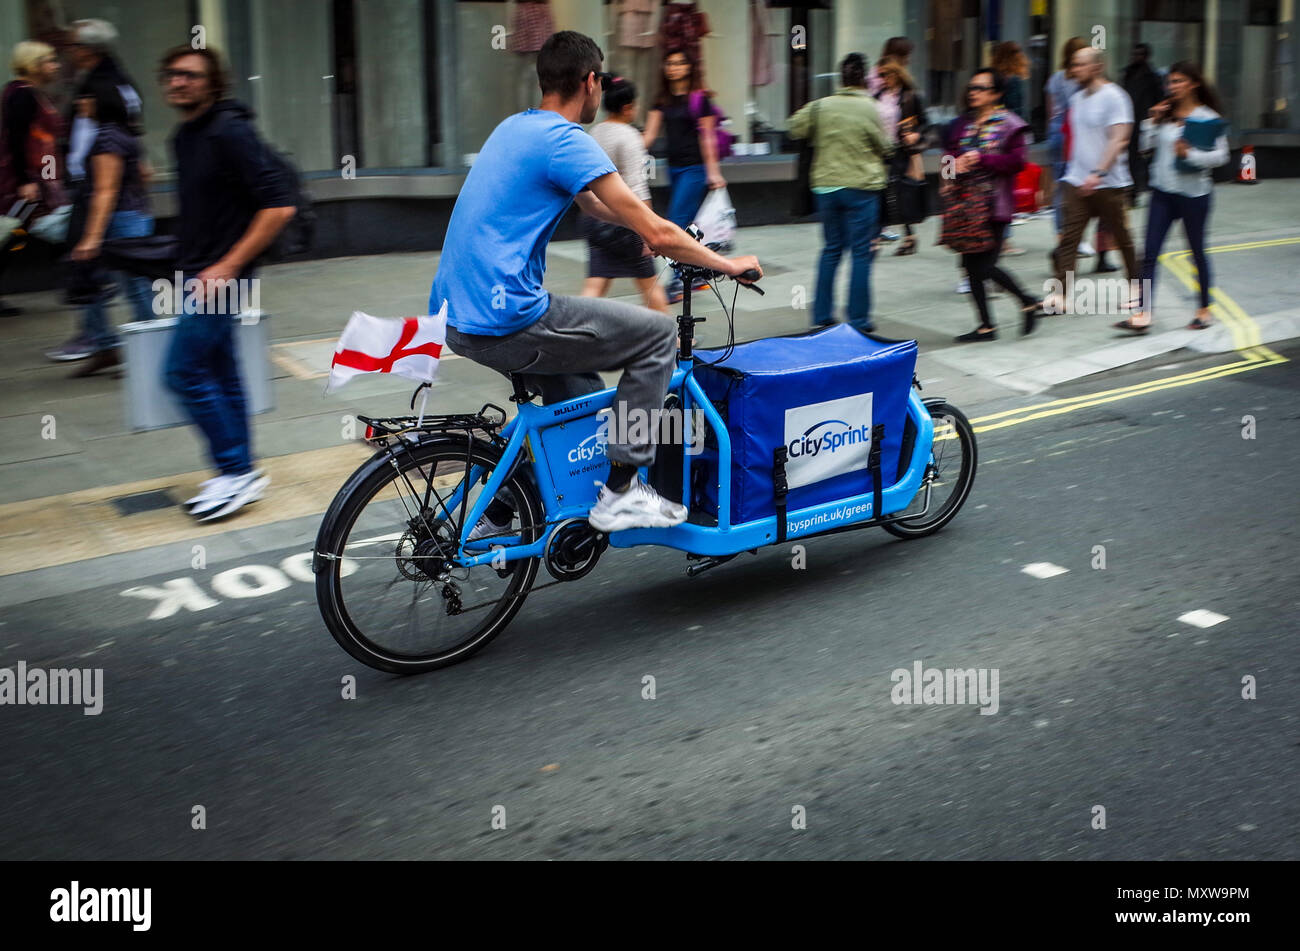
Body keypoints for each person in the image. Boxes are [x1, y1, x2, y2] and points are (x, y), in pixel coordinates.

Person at [432, 31, 760, 534]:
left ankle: (498, 509)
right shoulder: (566, 141)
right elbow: (652, 225)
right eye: (600, 81)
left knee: (579, 397)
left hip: (457, 313)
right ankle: (621, 492)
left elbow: (593, 204)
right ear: (589, 81)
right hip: (508, 317)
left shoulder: (515, 128)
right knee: (657, 337)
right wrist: (726, 264)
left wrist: (645, 232)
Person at [159, 45, 296, 521]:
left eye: (191, 75)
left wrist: (227, 266)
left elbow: (279, 206)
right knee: (221, 373)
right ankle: (240, 471)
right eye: (173, 75)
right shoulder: (185, 136)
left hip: (222, 278)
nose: (179, 83)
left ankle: (235, 470)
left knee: (182, 371)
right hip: (198, 274)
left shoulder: (229, 130)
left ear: (213, 83)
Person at [1119, 61, 1229, 334]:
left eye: (1179, 81)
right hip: (1162, 192)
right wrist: (1151, 123)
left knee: (1196, 253)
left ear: (1193, 84)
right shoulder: (1166, 114)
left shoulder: (1208, 117)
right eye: (1170, 82)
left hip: (1194, 195)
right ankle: (1143, 313)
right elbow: (1146, 149)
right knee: (1150, 254)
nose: (1173, 87)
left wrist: (1190, 155)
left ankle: (1204, 309)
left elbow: (1221, 156)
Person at [786, 52, 892, 333]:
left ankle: (822, 315)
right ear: (864, 78)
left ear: (840, 77)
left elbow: (793, 127)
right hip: (862, 188)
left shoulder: (821, 106)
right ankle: (858, 319)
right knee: (860, 253)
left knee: (831, 249)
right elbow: (885, 147)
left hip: (826, 187)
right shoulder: (871, 107)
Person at [944, 69, 1044, 342]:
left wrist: (981, 159)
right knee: (969, 266)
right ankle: (986, 326)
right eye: (972, 87)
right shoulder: (962, 123)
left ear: (996, 94)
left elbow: (1017, 162)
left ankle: (1028, 300)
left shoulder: (1011, 125)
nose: (973, 92)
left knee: (985, 266)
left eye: (981, 88)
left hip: (994, 205)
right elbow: (947, 158)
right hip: (965, 205)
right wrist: (954, 164)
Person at [63, 90, 156, 377]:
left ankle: (149, 349)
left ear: (103, 102)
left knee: (134, 287)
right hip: (131, 216)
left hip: (120, 220)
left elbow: (106, 190)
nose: (80, 102)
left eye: (87, 97)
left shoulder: (107, 137)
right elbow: (144, 173)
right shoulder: (119, 132)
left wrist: (91, 236)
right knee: (94, 285)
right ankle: (107, 347)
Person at [1046, 48, 1139, 314]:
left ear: (1097, 67)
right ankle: (1061, 295)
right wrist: (1066, 176)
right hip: (1076, 181)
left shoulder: (1115, 97)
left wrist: (1098, 172)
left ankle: (1137, 289)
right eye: (1073, 65)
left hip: (1109, 183)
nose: (1073, 70)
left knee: (1123, 239)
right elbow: (1076, 141)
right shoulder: (1076, 99)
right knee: (1069, 240)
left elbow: (1119, 139)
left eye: (1079, 65)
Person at [642, 48, 725, 303]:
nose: (674, 68)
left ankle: (678, 281)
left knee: (676, 222)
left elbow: (708, 136)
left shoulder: (700, 99)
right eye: (670, 63)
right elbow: (649, 136)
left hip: (695, 169)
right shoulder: (662, 100)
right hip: (674, 169)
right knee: (687, 223)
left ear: (689, 67)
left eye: (679, 63)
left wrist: (713, 172)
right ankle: (695, 273)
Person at [582, 77, 668, 314]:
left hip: (594, 219)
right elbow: (637, 187)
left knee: (596, 283)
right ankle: (671, 340)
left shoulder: (595, 132)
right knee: (649, 283)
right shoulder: (629, 136)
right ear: (627, 107)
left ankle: (572, 336)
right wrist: (649, 229)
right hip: (624, 223)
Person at [0, 41, 65, 318]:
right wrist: (25, 180)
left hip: (39, 176)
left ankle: (78, 282)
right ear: (34, 65)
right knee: (13, 234)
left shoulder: (26, 92)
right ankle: (80, 282)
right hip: (26, 179)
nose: (56, 65)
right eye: (50, 60)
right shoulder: (23, 95)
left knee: (18, 233)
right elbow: (16, 139)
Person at [1045, 37, 1095, 257]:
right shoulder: (1081, 81)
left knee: (1060, 186)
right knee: (1076, 186)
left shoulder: (1056, 77)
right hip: (1074, 134)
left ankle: (1061, 237)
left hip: (1056, 132)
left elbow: (1051, 110)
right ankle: (1077, 239)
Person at [874, 58, 927, 256]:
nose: (881, 79)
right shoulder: (878, 95)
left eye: (884, 75)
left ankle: (909, 237)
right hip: (880, 150)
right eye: (880, 75)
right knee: (879, 191)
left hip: (900, 150)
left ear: (896, 75)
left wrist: (915, 135)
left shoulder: (910, 96)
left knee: (900, 192)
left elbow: (925, 123)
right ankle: (877, 236)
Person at [1122, 43, 1166, 201]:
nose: (1137, 57)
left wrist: (1155, 118)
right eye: (1135, 54)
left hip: (1146, 122)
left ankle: (1147, 188)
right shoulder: (1128, 73)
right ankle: (1132, 192)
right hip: (1131, 121)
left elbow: (1159, 98)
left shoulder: (1153, 77)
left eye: (1140, 54)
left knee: (1146, 158)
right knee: (1132, 158)